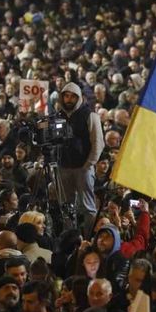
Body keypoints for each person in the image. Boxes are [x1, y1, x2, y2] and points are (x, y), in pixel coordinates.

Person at [57, 82, 104, 233]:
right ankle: (69, 237)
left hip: (83, 168)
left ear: (78, 98)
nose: (69, 100)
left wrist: (88, 164)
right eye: (66, 96)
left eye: (72, 97)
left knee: (88, 207)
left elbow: (98, 143)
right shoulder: (58, 116)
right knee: (67, 206)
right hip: (64, 167)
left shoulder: (90, 115)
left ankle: (88, 236)